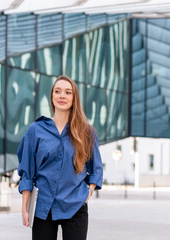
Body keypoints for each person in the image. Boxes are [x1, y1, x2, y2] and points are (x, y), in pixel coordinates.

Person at [17, 75, 103, 240]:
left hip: (75, 204)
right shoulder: (36, 130)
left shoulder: (87, 132)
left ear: (74, 98)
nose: (62, 96)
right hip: (43, 206)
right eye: (58, 91)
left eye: (68, 92)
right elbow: (26, 172)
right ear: (52, 96)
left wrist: (89, 192)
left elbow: (96, 168)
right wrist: (24, 207)